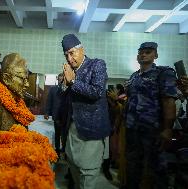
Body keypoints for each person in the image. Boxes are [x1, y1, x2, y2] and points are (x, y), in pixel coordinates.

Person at [124, 42, 178, 189]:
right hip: (133, 129)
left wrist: (168, 129)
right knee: (133, 165)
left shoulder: (163, 72)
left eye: (148, 52)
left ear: (156, 55)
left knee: (157, 167)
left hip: (153, 129)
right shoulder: (134, 76)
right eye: (141, 52)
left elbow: (169, 101)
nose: (143, 54)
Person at [62, 34, 111, 189]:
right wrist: (63, 84)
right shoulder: (70, 70)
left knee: (88, 174)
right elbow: (66, 99)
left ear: (81, 49)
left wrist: (73, 81)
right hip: (73, 129)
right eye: (66, 55)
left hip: (91, 130)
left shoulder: (97, 64)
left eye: (72, 53)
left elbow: (97, 92)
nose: (69, 59)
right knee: (74, 169)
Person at [44, 73, 65, 158]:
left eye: (62, 80)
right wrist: (47, 112)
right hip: (56, 115)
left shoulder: (69, 89)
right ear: (57, 80)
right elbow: (49, 101)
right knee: (57, 133)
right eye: (59, 80)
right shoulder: (53, 89)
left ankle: (64, 150)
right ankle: (57, 150)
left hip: (65, 116)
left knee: (64, 134)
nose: (60, 81)